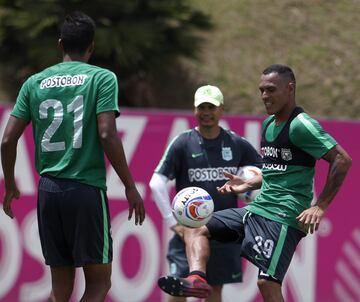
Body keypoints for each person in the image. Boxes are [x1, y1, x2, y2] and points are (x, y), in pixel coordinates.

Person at [157, 64, 352, 301]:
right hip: (257, 209)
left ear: (290, 89)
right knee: (195, 226)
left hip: (284, 214)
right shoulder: (268, 124)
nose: (264, 96)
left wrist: (319, 206)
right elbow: (274, 172)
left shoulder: (301, 124)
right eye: (261, 90)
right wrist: (247, 185)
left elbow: (342, 159)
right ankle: (197, 279)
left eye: (271, 90)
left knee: (266, 283)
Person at [1, 11, 145, 302]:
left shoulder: (34, 83)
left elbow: (6, 140)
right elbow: (106, 134)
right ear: (91, 46)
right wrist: (130, 185)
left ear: (60, 44)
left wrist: (11, 184)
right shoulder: (102, 78)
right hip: (85, 189)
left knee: (60, 289)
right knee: (99, 283)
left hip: (48, 191)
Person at [149, 85, 262, 302]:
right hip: (189, 232)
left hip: (223, 229)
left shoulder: (235, 143)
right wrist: (173, 222)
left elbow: (265, 171)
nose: (206, 112)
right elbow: (157, 182)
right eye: (202, 107)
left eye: (212, 107)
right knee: (178, 288)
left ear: (221, 110)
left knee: (214, 291)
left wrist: (249, 184)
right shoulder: (183, 142)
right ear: (194, 110)